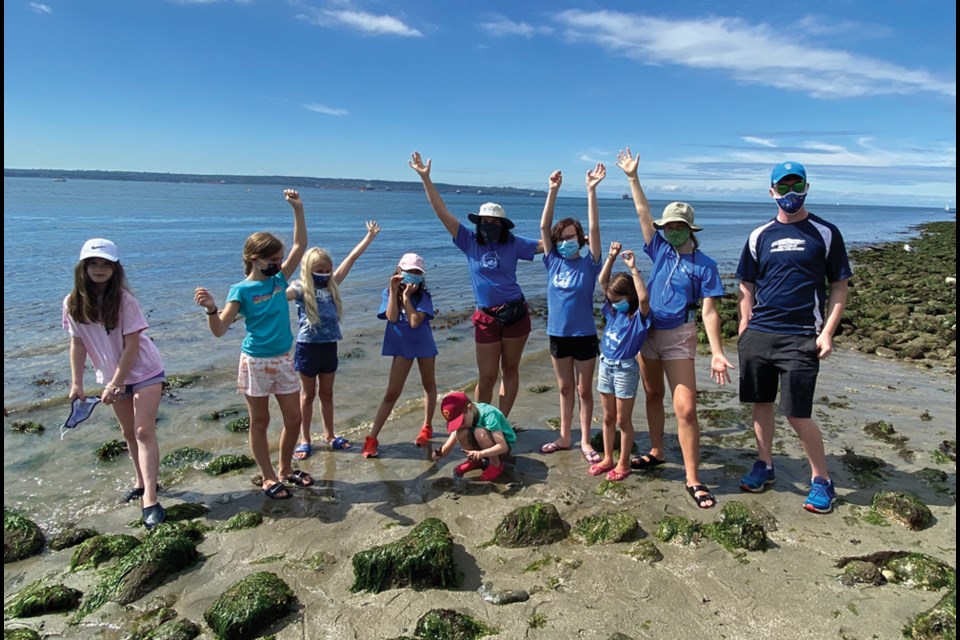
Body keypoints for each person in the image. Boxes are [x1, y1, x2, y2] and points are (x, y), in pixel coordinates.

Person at [617, 147, 733, 509]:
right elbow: (642, 212)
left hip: (680, 337)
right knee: (652, 396)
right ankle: (656, 451)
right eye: (668, 227)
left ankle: (693, 477)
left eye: (679, 227)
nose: (673, 232)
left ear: (690, 230)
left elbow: (710, 313)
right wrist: (633, 177)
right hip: (647, 333)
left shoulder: (706, 265)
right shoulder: (660, 250)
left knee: (685, 408)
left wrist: (716, 352)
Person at [736, 161, 852, 514]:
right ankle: (765, 465)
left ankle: (822, 480)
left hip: (802, 336)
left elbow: (839, 287)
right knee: (760, 404)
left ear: (806, 187)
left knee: (797, 414)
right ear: (771, 192)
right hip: (760, 335)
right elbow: (746, 284)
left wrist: (827, 333)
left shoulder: (825, 233)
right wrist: (744, 327)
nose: (789, 193)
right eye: (782, 187)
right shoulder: (759, 236)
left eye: (795, 185)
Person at [194, 189, 314, 500]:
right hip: (255, 362)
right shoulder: (240, 290)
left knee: (295, 419)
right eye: (271, 260)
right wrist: (210, 308)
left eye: (279, 259)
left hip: (283, 359)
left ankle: (286, 469)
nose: (278, 264)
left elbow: (300, 246)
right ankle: (268, 476)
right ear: (253, 259)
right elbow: (220, 329)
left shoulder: (278, 281)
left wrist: (298, 209)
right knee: (260, 421)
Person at [409, 151, 542, 418]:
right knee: (487, 375)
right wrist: (426, 178)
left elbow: (545, 245)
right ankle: (483, 421)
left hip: (515, 313)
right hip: (486, 317)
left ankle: (501, 421)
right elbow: (441, 211)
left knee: (511, 371)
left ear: (503, 225)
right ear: (478, 223)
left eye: (494, 222)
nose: (489, 226)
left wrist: (573, 240)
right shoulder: (470, 242)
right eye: (484, 222)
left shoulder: (513, 243)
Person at [64, 238, 167, 528]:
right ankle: (141, 481)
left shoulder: (125, 300)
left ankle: (150, 497)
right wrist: (77, 383)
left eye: (105, 263)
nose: (99, 268)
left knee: (144, 431)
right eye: (93, 263)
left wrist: (116, 382)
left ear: (115, 268)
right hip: (112, 376)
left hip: (145, 370)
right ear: (83, 267)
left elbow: (132, 345)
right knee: (128, 433)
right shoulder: (72, 304)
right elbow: (78, 344)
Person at [287, 221, 380, 459]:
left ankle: (329, 435)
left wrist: (368, 237)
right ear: (308, 270)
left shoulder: (332, 284)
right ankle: (305, 439)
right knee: (307, 395)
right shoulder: (299, 288)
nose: (324, 274)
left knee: (327, 394)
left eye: (327, 269)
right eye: (319, 270)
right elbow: (276, 296)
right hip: (308, 347)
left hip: (329, 346)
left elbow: (352, 258)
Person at [538, 166, 605, 465]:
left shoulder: (590, 263)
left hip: (585, 335)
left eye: (571, 236)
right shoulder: (552, 261)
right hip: (558, 334)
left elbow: (595, 228)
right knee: (565, 388)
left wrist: (591, 190)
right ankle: (564, 436)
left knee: (583, 390)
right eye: (562, 237)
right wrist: (552, 190)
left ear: (580, 238)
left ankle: (585, 440)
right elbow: (543, 228)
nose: (566, 241)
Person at [360, 253, 439, 458]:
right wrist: (396, 291)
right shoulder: (388, 293)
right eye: (409, 272)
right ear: (399, 271)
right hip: (402, 347)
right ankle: (372, 438)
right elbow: (392, 317)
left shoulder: (423, 296)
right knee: (392, 392)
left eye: (417, 273)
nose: (412, 276)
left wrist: (406, 299)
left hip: (423, 344)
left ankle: (427, 426)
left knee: (428, 384)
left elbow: (414, 322)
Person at [591, 242, 651, 482]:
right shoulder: (613, 312)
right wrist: (611, 258)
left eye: (618, 298)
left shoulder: (638, 317)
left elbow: (644, 298)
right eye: (611, 299)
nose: (614, 302)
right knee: (607, 417)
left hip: (625, 368)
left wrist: (634, 269)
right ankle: (607, 457)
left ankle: (623, 463)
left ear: (629, 297)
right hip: (605, 365)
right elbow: (602, 282)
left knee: (622, 420)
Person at [431, 391, 516, 482]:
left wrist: (481, 454)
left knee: (479, 432)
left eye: (461, 421)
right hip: (484, 449)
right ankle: (475, 461)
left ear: (470, 407)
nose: (460, 426)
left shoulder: (489, 414)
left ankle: (496, 464)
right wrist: (439, 453)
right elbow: (448, 445)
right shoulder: (467, 415)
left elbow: (503, 447)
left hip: (502, 450)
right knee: (461, 432)